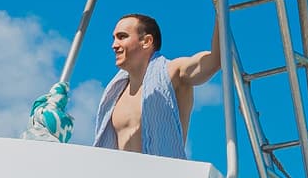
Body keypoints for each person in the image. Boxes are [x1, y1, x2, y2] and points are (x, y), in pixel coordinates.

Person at [85, 13, 218, 156]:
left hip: (162, 169)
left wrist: (219, 9)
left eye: (122, 37)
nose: (114, 45)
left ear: (146, 41)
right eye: (114, 38)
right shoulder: (116, 93)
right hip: (120, 170)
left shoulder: (173, 72)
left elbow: (214, 61)